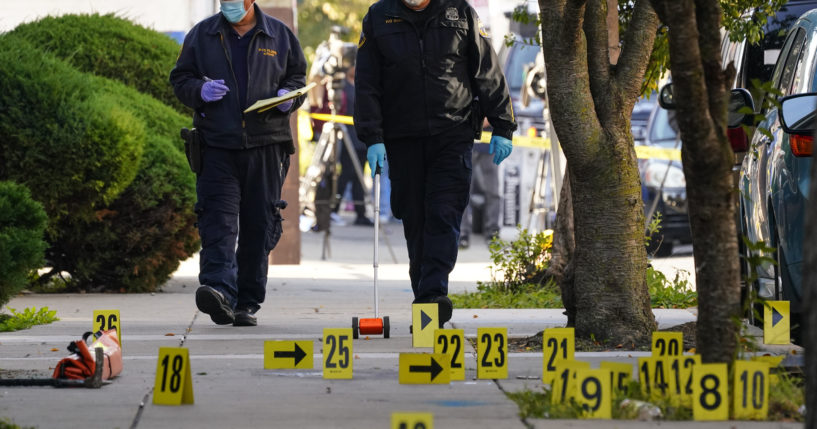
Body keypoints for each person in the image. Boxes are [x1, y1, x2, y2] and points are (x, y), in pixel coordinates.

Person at [354, 0, 516, 326]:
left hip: (451, 132)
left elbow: (486, 70)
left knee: (444, 212)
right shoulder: (379, 16)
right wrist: (372, 137)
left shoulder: (459, 11)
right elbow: (367, 82)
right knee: (415, 218)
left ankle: (432, 294)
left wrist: (503, 125)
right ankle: (426, 298)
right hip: (402, 137)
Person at [170, 0, 307, 326]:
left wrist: (290, 97)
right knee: (218, 221)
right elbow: (180, 79)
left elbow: (299, 78)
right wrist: (200, 90)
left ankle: (247, 301)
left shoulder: (279, 35)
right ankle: (218, 289)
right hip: (217, 146)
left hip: (266, 146)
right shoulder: (202, 35)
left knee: (259, 225)